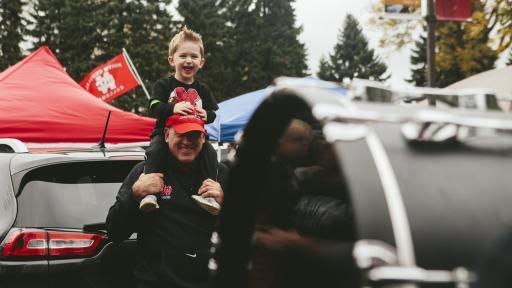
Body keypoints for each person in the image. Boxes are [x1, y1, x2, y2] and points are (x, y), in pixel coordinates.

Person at [106, 112, 228, 288]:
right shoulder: (144, 173)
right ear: (166, 134)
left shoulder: (220, 174)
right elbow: (115, 231)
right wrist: (134, 196)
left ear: (203, 137)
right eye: (180, 134)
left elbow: (245, 233)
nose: (187, 141)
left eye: (194, 135)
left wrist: (226, 204)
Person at [142, 25, 219, 211]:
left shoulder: (203, 89)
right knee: (154, 151)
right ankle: (150, 193)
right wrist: (173, 108)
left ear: (201, 62)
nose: (188, 61)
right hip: (165, 134)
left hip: (195, 135)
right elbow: (153, 107)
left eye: (193, 56)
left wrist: (206, 115)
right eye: (183, 56)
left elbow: (214, 113)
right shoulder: (163, 84)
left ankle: (208, 195)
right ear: (171, 60)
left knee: (210, 153)